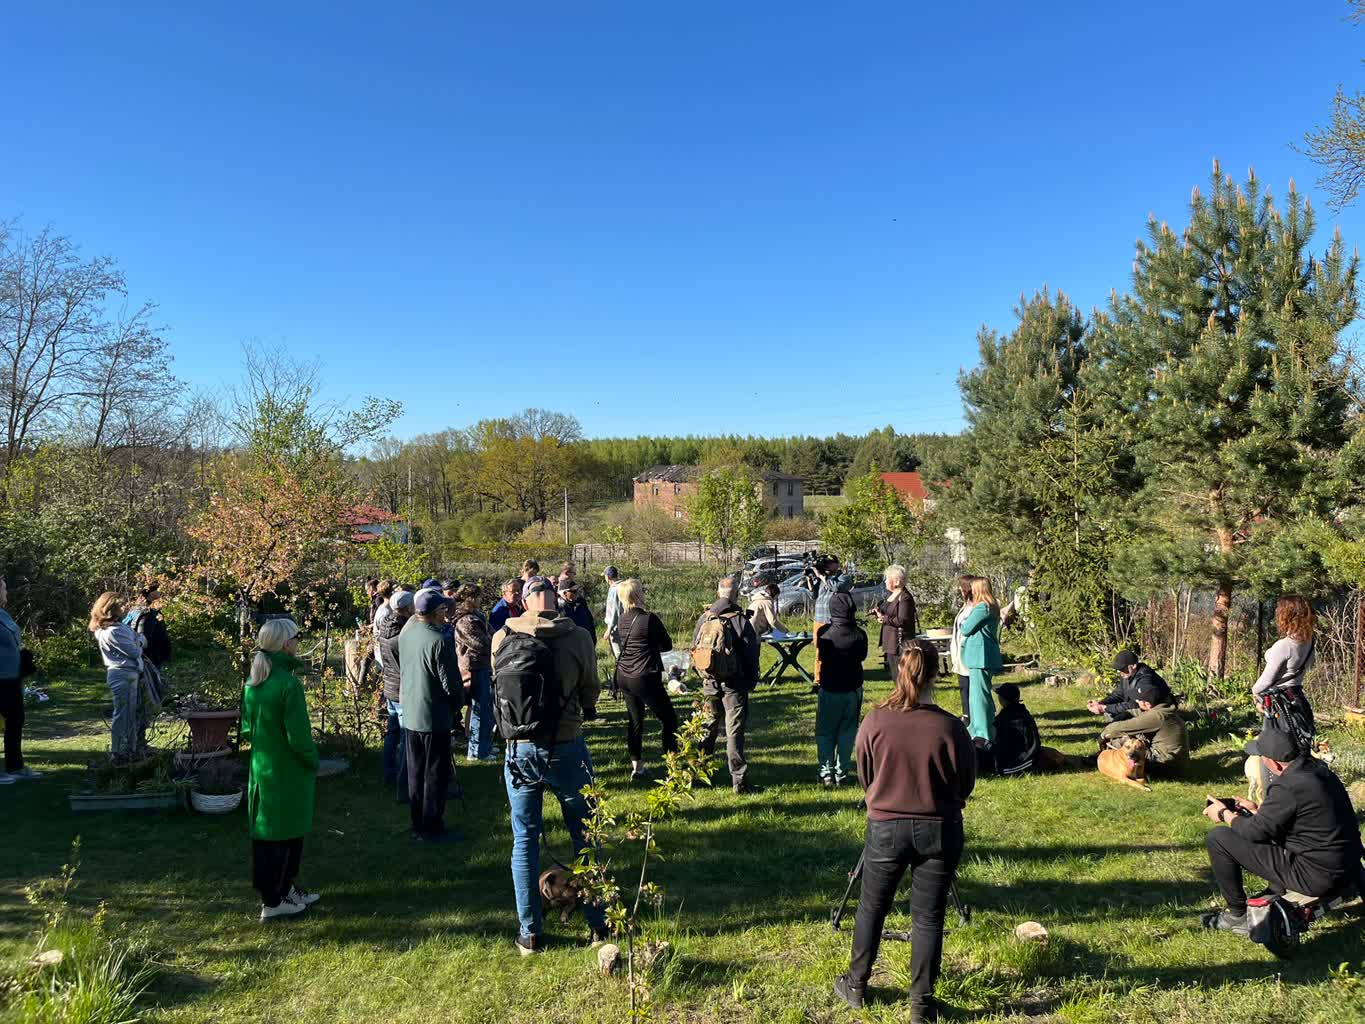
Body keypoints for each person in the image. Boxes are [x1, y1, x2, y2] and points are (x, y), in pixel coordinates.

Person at [834, 640, 976, 1018]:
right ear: (936, 674)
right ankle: (921, 1005)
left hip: (886, 825)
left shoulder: (876, 721)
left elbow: (865, 774)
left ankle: (856, 984)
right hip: (940, 827)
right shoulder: (949, 726)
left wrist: (882, 797)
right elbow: (966, 783)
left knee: (872, 907)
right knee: (929, 916)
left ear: (899, 669)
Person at [491, 575, 608, 953]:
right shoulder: (577, 637)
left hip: (521, 749)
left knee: (524, 840)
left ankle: (530, 933)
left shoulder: (502, 637)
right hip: (568, 744)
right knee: (585, 836)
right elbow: (591, 687)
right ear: (555, 600)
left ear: (524, 601)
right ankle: (600, 925)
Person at [1201, 725, 1364, 935]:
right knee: (1262, 828)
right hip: (1348, 865)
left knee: (1219, 838)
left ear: (1275, 763)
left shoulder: (1287, 786)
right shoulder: (1319, 771)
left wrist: (1224, 814)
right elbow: (1302, 820)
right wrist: (1257, 810)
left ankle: (1237, 915)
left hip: (1318, 877)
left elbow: (1255, 833)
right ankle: (1275, 890)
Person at [241, 617, 320, 921]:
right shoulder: (288, 684)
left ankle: (284, 889)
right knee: (285, 835)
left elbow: (248, 730)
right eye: (297, 638)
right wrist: (312, 759)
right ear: (287, 644)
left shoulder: (255, 682)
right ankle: (274, 899)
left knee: (271, 833)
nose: (299, 642)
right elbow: (299, 737)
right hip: (288, 770)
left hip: (263, 768)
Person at [398, 588, 464, 843]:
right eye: (443, 610)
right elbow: (451, 683)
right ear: (435, 613)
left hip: (411, 712)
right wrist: (458, 703)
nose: (446, 615)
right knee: (435, 774)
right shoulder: (439, 641)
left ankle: (417, 823)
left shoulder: (408, 633)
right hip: (434, 715)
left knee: (416, 772)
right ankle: (432, 827)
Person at [693, 576, 762, 794]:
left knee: (707, 729)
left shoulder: (705, 617)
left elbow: (695, 650)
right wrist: (751, 681)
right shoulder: (740, 620)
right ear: (736, 595)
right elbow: (751, 654)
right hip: (735, 685)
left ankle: (698, 775)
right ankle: (739, 782)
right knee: (734, 733)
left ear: (718, 593)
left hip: (710, 683)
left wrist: (702, 674)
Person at [613, 578, 679, 781]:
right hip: (644, 675)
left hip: (624, 674)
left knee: (635, 720)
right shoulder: (649, 618)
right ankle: (673, 769)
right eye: (642, 590)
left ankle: (637, 767)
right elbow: (666, 645)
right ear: (637, 595)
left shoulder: (622, 619)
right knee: (669, 720)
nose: (644, 592)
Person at [815, 592, 867, 787]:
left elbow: (821, 656)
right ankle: (842, 773)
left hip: (829, 689)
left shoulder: (824, 633)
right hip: (852, 689)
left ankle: (825, 772)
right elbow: (862, 657)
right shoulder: (860, 634)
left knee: (825, 732)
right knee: (847, 732)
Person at [89, 592, 146, 760]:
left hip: (128, 673)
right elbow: (135, 651)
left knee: (130, 713)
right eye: (121, 605)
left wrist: (137, 639)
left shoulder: (117, 628)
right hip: (123, 673)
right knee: (123, 713)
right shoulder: (112, 631)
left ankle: (129, 747)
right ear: (111, 609)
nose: (125, 608)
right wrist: (140, 641)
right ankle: (119, 750)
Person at [1251, 596, 1317, 740]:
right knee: (1300, 744)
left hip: (1281, 703)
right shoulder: (1310, 641)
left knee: (1277, 748)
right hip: (1299, 699)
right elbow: (1310, 664)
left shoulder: (1285, 645)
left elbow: (1265, 682)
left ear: (1287, 616)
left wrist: (1256, 696)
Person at [1099, 676, 1188, 770]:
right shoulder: (1163, 709)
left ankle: (1106, 761)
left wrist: (1103, 735)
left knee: (1124, 741)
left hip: (1165, 765)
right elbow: (1138, 712)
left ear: (1147, 704)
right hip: (1175, 761)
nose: (1136, 701)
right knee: (1135, 741)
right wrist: (1126, 714)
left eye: (1138, 700)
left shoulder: (1156, 717)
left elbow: (1122, 727)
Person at [0, 576, 39, 783]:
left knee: (15, 720)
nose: (6, 593)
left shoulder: (3, 614)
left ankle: (15, 766)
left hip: (12, 677)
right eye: (4, 589)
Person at [452, 583, 496, 762]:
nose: (480, 599)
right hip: (473, 667)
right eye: (476, 596)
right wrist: (494, 640)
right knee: (478, 708)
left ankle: (484, 748)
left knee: (485, 709)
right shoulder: (464, 620)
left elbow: (492, 633)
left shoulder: (478, 616)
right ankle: (476, 751)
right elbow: (479, 643)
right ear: (468, 598)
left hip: (484, 664)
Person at [376, 589, 415, 790]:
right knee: (405, 734)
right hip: (401, 688)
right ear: (408, 607)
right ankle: (403, 778)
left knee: (392, 734)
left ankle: (388, 772)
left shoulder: (385, 625)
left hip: (389, 684)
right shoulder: (403, 634)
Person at [959, 577, 1002, 748]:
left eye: (973, 589)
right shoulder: (991, 606)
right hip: (981, 656)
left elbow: (966, 628)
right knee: (977, 695)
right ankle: (975, 729)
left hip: (981, 656)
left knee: (979, 697)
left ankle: (983, 732)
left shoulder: (983, 607)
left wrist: (964, 620)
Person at [1087, 650, 1175, 722]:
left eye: (1122, 669)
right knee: (1110, 713)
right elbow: (1118, 694)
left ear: (1133, 666)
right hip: (1137, 707)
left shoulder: (1145, 679)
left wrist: (1105, 708)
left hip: (1155, 710)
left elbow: (1135, 704)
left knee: (1115, 718)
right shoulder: (1127, 674)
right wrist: (1102, 703)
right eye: (1118, 670)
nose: (1120, 673)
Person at [871, 564, 918, 675]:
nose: (886, 581)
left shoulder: (905, 597)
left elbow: (902, 620)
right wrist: (878, 613)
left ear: (896, 581)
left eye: (888, 579)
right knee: (895, 675)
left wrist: (884, 618)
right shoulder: (892, 595)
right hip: (891, 642)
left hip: (900, 643)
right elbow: (890, 613)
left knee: (902, 676)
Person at [812, 555, 851, 685]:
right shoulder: (822, 578)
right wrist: (812, 579)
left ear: (837, 564)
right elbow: (814, 595)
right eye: (826, 564)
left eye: (830, 563)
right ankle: (818, 679)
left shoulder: (843, 578)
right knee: (819, 650)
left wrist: (823, 577)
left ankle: (836, 675)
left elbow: (836, 588)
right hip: (819, 619)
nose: (827, 566)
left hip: (833, 620)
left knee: (836, 649)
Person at [991, 683, 1041, 776]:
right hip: (1030, 755)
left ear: (1003, 699)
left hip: (1018, 762)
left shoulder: (1005, 719)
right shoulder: (1023, 711)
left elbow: (1002, 746)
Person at [123, 583, 172, 668]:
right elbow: (144, 635)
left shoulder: (135, 610)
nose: (160, 592)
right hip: (148, 655)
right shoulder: (147, 613)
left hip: (144, 653)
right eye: (157, 590)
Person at [947, 575, 975, 723]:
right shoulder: (966, 605)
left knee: (969, 687)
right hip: (960, 653)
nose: (959, 589)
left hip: (968, 654)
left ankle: (971, 716)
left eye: (961, 587)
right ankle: (967, 714)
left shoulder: (976, 607)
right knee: (963, 686)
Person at [603, 566, 624, 657]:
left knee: (619, 653)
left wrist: (609, 629)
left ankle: (622, 670)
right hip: (617, 624)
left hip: (616, 626)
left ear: (608, 577)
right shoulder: (616, 587)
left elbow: (616, 610)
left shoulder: (616, 589)